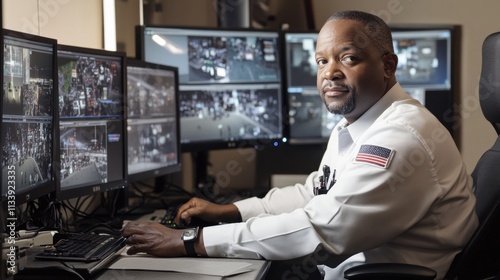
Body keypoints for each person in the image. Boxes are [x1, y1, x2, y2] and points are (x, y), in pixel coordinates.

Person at [121, 10, 478, 279]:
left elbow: (321, 227)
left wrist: (189, 241)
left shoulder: (399, 138)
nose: (329, 72)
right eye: (322, 61)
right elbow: (315, 193)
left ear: (388, 65)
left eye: (348, 58)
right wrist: (230, 211)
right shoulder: (360, 122)